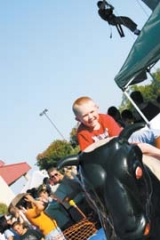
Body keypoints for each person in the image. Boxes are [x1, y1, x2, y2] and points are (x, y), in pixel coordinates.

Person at [72, 96, 160, 159]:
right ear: (78, 119)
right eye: (85, 115)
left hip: (122, 144)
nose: (90, 117)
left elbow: (120, 138)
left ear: (97, 108)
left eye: (92, 112)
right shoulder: (82, 133)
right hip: (107, 157)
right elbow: (89, 153)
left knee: (151, 136)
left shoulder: (107, 119)